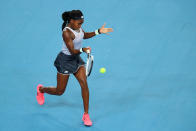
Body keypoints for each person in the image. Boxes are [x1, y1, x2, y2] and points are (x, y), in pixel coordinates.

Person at [36, 10, 113, 126]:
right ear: (71, 21)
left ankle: (86, 115)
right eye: (79, 23)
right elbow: (72, 51)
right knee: (60, 91)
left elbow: (84, 35)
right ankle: (41, 89)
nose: (80, 25)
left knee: (84, 84)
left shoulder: (78, 27)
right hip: (65, 61)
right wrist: (83, 50)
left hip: (76, 59)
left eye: (82, 23)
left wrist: (98, 31)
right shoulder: (66, 33)